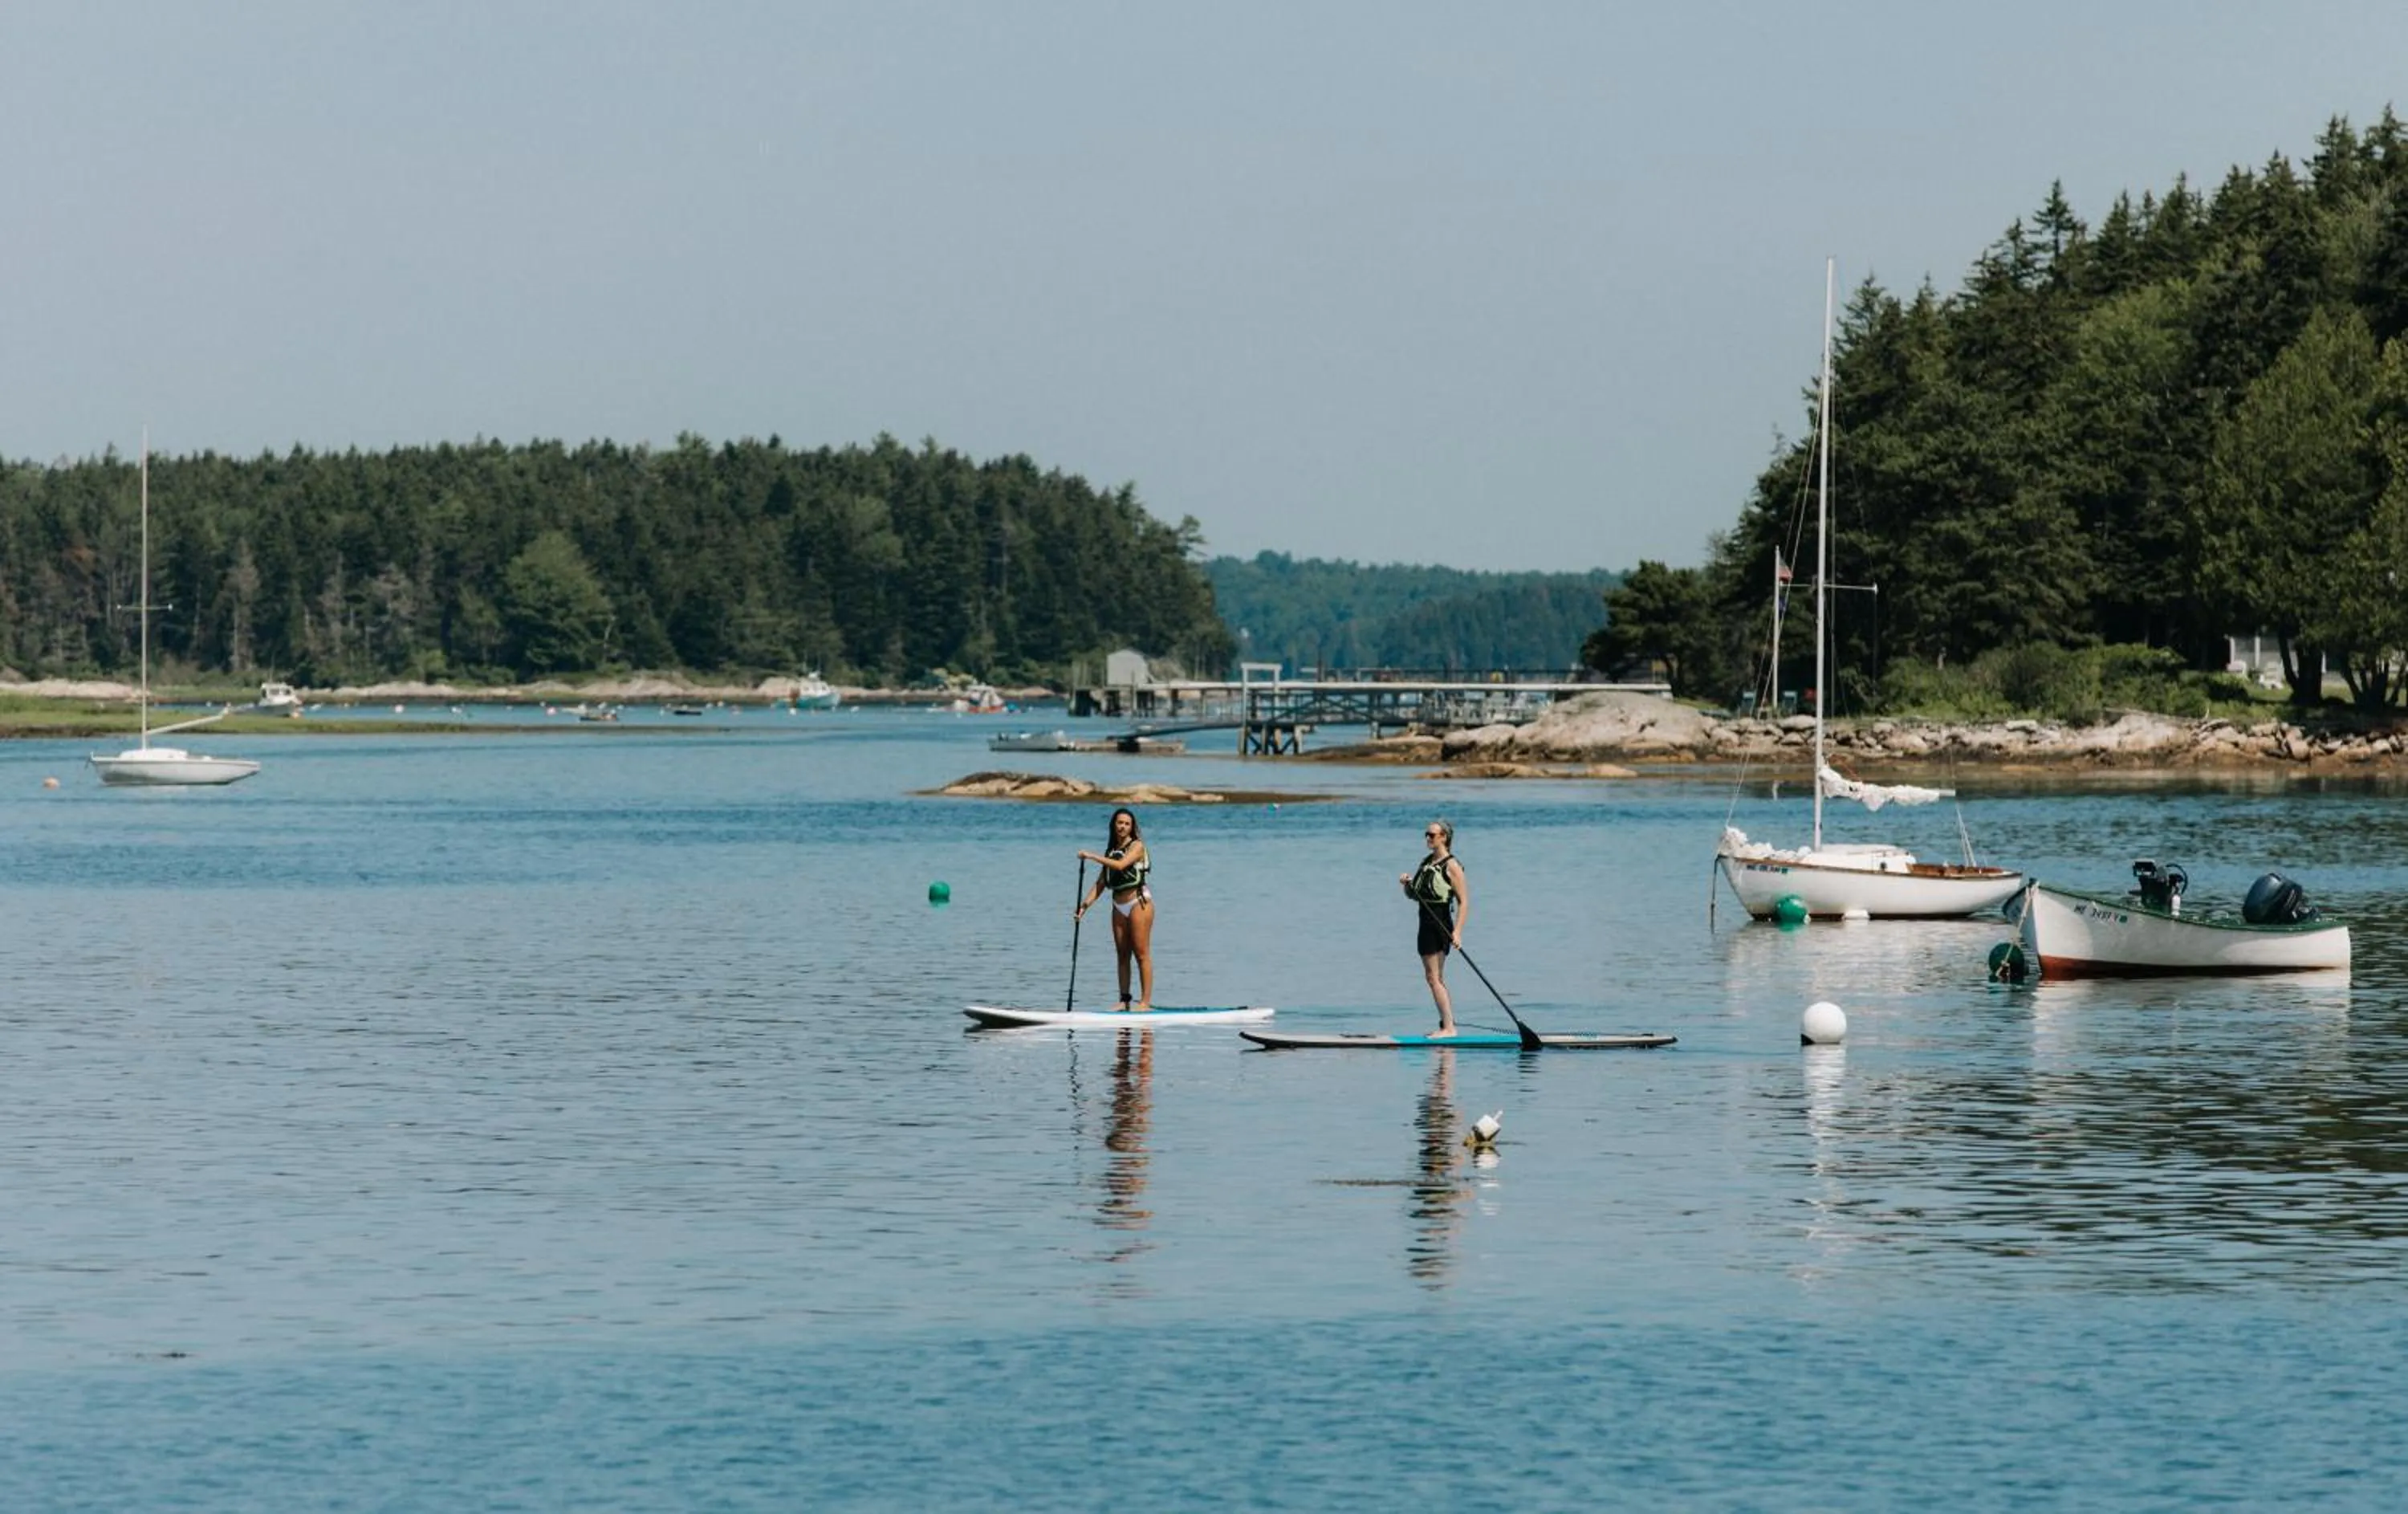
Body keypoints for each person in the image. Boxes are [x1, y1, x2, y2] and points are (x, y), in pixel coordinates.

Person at [1076, 808, 1154, 1011]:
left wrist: (1091, 856)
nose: (1123, 827)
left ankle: (1145, 1003)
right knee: (1122, 954)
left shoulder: (1137, 846)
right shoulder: (1111, 851)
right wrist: (1084, 906)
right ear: (1114, 825)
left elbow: (1120, 866)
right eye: (1120, 823)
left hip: (1138, 903)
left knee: (1141, 953)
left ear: (1132, 827)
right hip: (1118, 906)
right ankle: (1124, 1000)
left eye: (1127, 824)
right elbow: (1101, 883)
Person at [1400, 818, 1469, 1036]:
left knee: (1434, 978)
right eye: (1426, 835)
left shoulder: (1452, 866)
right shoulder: (1427, 862)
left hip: (1440, 922)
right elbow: (1414, 895)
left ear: (1444, 838)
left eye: (1432, 835)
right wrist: (1407, 885)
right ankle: (1447, 1025)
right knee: (1433, 977)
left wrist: (1457, 932)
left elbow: (1464, 902)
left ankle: (1449, 1028)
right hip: (1425, 922)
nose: (1428, 838)